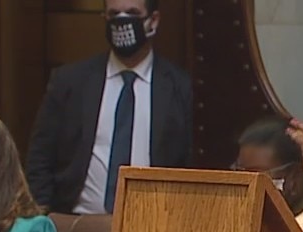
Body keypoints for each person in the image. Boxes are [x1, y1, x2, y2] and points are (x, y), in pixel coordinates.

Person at [26, 0, 193, 214]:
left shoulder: (179, 87)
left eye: (132, 13)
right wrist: (43, 218)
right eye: (114, 14)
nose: (122, 21)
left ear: (153, 21)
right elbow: (40, 157)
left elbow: (188, 164)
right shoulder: (70, 82)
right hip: (78, 221)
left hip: (152, 221)